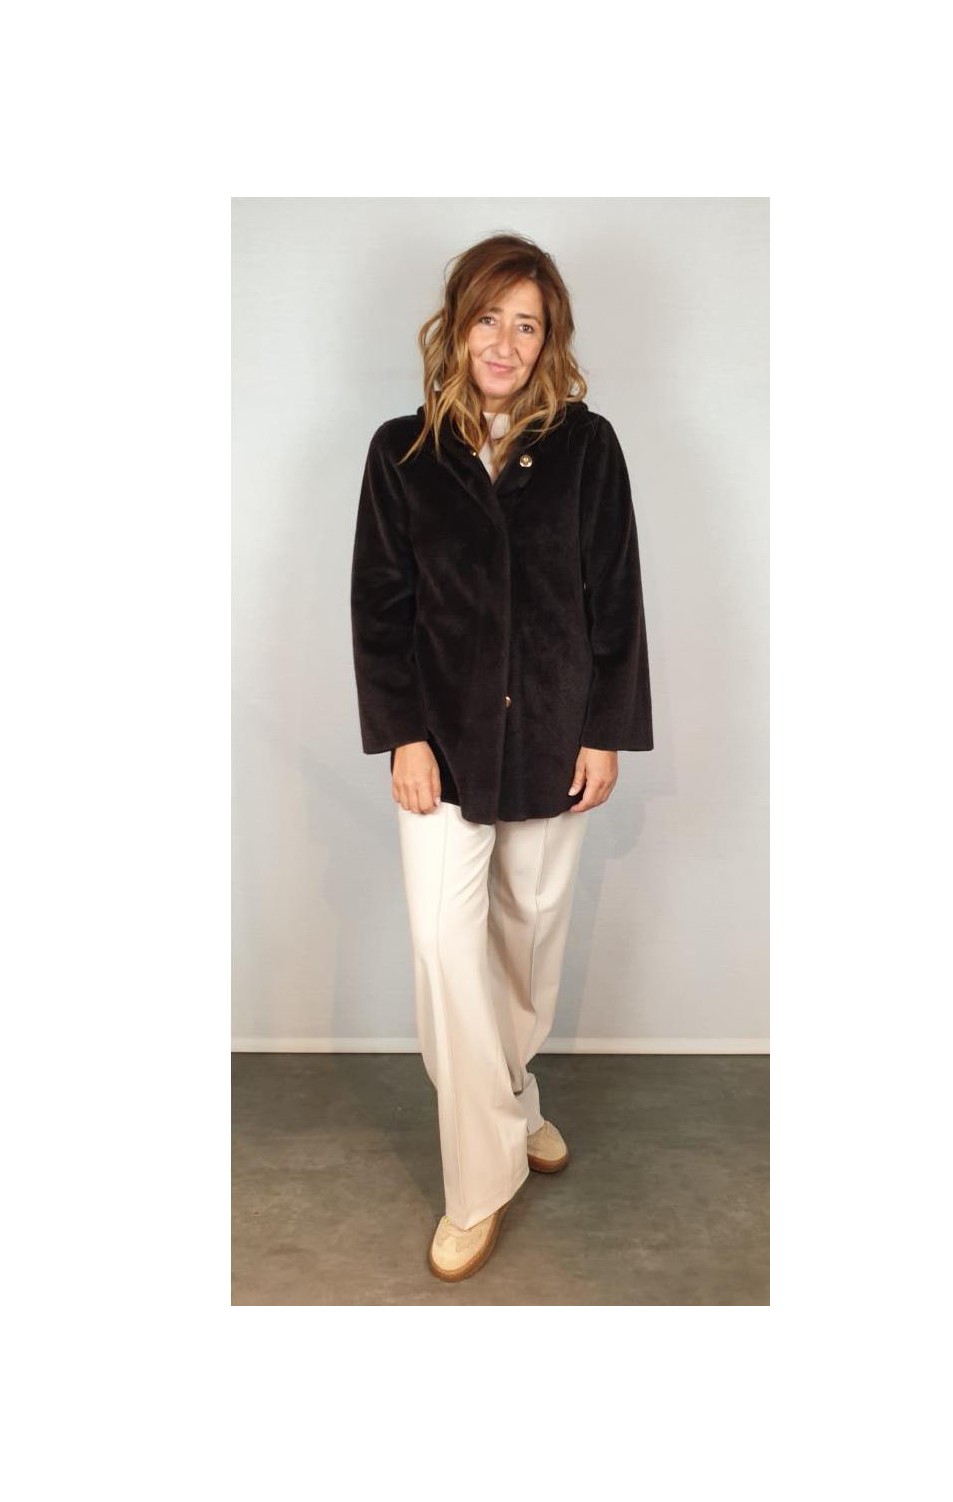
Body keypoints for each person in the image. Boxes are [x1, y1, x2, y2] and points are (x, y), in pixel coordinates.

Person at [350, 232, 653, 1282]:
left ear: (547, 342)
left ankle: (515, 1099)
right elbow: (379, 607)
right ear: (457, 324)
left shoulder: (586, 446)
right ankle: (478, 1180)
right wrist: (403, 733)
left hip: (554, 738)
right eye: (490, 317)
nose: (506, 342)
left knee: (525, 944)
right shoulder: (401, 451)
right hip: (439, 743)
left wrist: (604, 728)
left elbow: (615, 593)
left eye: (527, 325)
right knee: (445, 950)